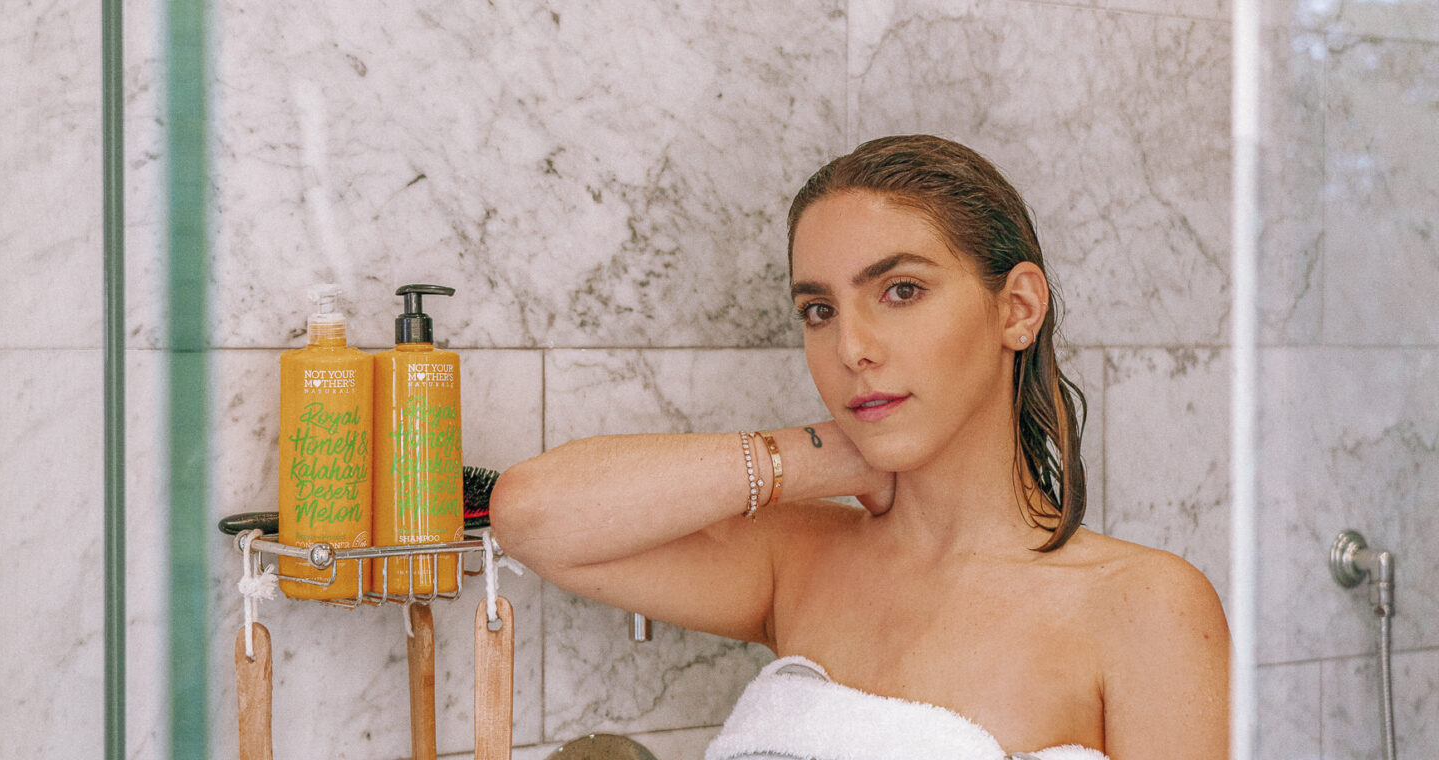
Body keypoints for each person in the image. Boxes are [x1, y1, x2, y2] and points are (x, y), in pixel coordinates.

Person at [490, 135, 1229, 759]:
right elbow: (529, 515)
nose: (850, 347)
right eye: (818, 310)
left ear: (1017, 308)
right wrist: (821, 456)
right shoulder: (802, 560)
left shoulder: (1143, 605)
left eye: (901, 291)